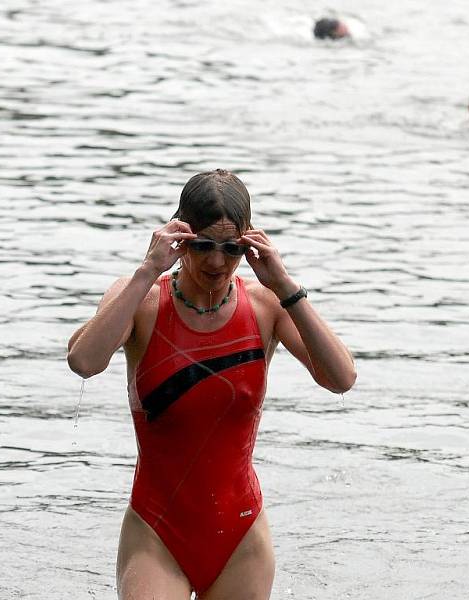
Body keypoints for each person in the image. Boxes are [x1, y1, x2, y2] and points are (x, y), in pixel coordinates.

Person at [66, 169, 356, 599]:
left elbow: (341, 378)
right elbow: (84, 362)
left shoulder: (266, 305)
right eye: (202, 245)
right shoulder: (141, 300)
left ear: (248, 243)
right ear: (179, 237)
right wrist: (147, 270)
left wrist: (285, 285)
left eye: (231, 248)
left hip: (241, 538)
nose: (217, 261)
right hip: (156, 532)